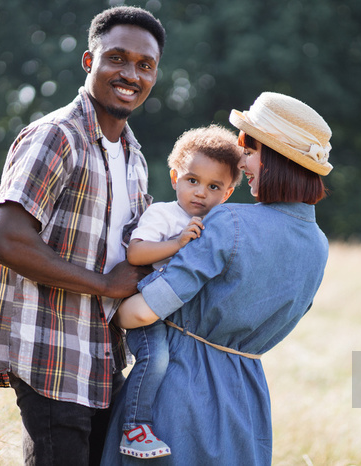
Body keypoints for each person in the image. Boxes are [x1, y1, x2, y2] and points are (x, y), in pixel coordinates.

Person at [0, 6, 166, 466]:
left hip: (103, 359)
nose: (130, 74)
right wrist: (103, 285)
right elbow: (7, 241)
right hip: (53, 356)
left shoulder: (133, 156)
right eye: (116, 58)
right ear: (88, 61)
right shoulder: (58, 136)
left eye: (145, 65)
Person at [100, 91, 334, 465]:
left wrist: (109, 300)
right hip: (247, 401)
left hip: (177, 394)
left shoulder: (228, 222)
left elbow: (142, 314)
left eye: (250, 147)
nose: (242, 158)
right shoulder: (320, 246)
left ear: (276, 158)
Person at [118, 125, 242, 459]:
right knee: (155, 357)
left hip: (180, 317)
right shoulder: (164, 214)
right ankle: (134, 427)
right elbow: (136, 253)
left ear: (227, 193)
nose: (201, 192)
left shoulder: (219, 224)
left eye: (213, 186)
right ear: (175, 178)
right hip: (147, 307)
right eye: (192, 180)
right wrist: (177, 243)